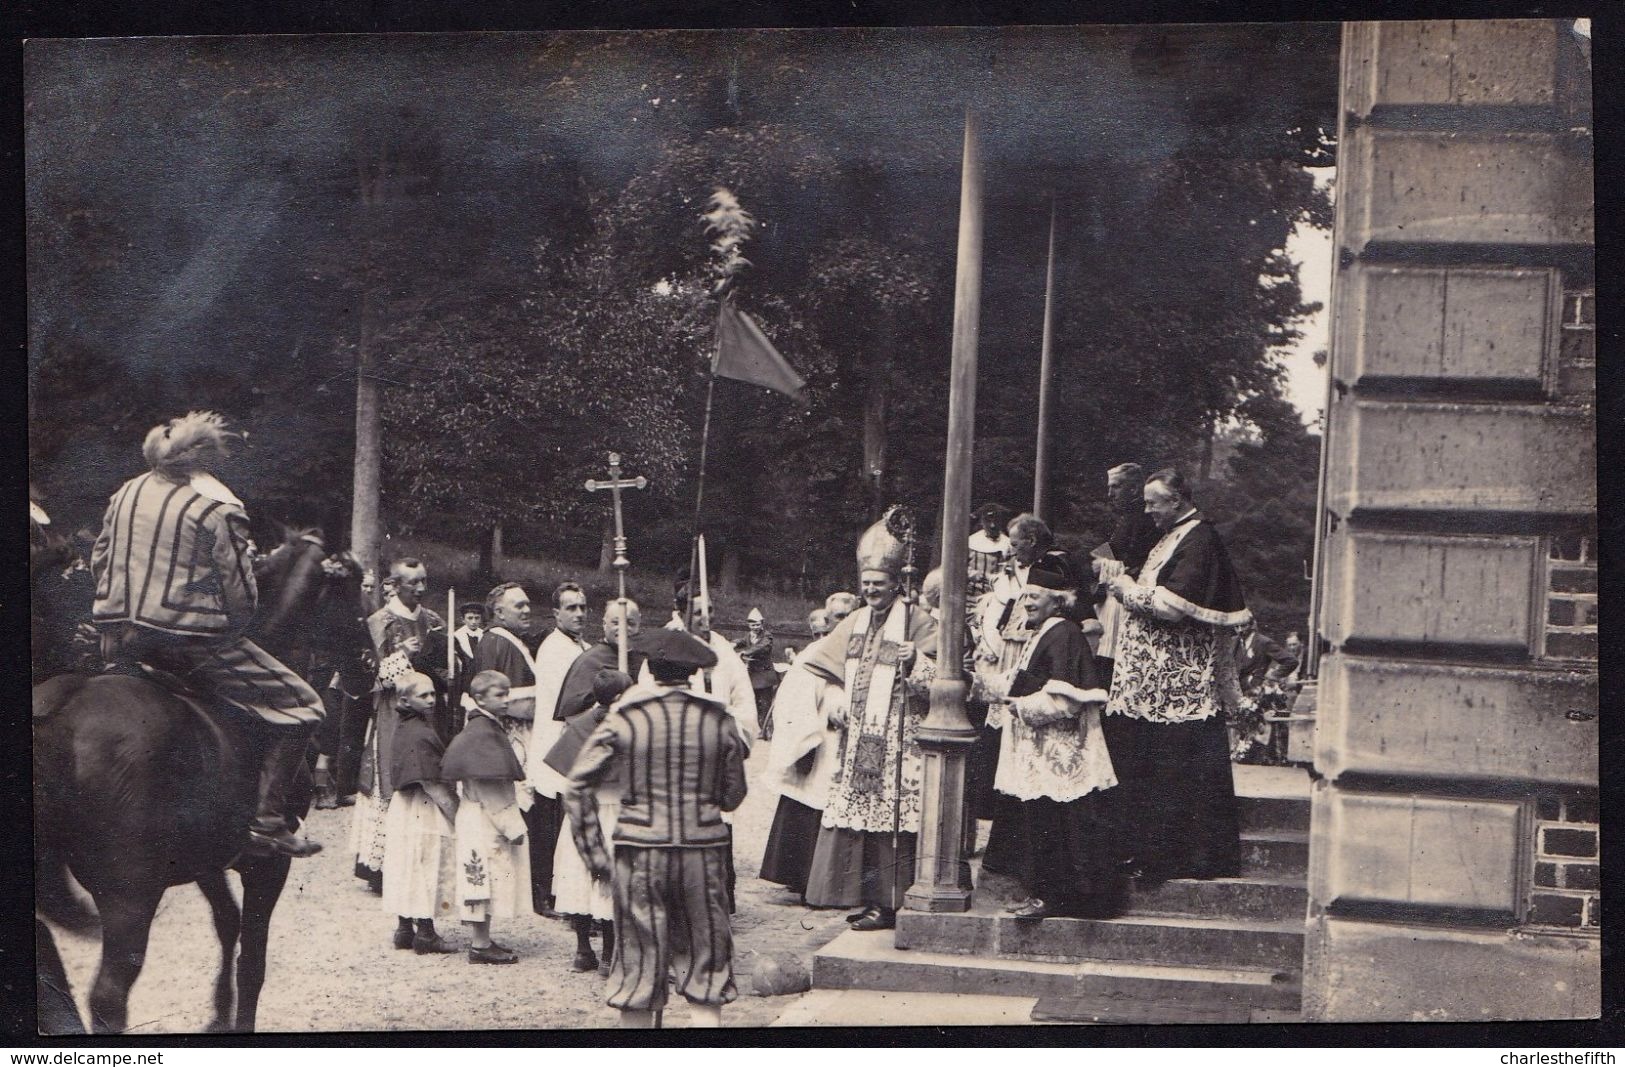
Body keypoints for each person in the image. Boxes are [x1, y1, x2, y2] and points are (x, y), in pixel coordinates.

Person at [88, 411, 324, 858]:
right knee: (305, 706)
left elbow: (101, 559)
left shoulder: (125, 493)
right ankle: (268, 824)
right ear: (202, 460)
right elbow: (240, 595)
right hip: (187, 644)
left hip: (115, 639)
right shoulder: (215, 509)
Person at [563, 629, 749, 1029]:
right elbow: (733, 796)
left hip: (640, 850)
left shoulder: (626, 719)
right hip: (703, 851)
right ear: (694, 674)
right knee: (707, 958)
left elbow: (576, 786)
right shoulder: (720, 721)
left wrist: (597, 858)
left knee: (638, 963)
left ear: (648, 668)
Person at [1103, 468, 1250, 885]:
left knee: (1170, 769)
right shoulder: (1174, 535)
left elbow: (1171, 606)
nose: (1146, 510)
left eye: (1153, 502)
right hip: (1154, 680)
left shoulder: (1199, 538)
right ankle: (1150, 853)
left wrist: (1124, 588)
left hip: (1174, 683)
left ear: (1177, 500)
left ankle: (1178, 857)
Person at [799, 517, 938, 930]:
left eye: (879, 583)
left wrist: (919, 662)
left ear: (897, 583)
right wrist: (836, 699)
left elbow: (945, 682)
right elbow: (824, 671)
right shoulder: (854, 621)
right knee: (863, 824)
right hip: (860, 737)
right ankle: (869, 896)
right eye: (867, 583)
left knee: (891, 823)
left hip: (901, 740)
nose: (871, 590)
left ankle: (891, 901)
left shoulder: (918, 621)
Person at [979, 569, 1124, 919]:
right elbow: (1024, 679)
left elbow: (1068, 701)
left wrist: (1022, 707)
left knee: (1062, 822)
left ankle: (1064, 899)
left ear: (1058, 600)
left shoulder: (1064, 633)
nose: (1026, 602)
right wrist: (983, 681)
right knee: (1044, 821)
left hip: (1061, 752)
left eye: (1035, 596)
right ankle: (1050, 895)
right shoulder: (1045, 631)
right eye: (1025, 596)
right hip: (1042, 751)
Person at [353, 558, 449, 890]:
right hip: (392, 713)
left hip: (428, 713)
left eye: (424, 582)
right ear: (395, 584)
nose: (421, 589)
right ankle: (381, 868)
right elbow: (369, 674)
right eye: (413, 584)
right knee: (393, 778)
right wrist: (402, 656)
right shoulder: (380, 621)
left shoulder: (432, 620)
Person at [465, 582, 556, 916]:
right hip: (511, 738)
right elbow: (500, 700)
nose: (527, 610)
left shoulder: (509, 640)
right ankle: (532, 891)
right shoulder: (496, 642)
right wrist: (543, 703)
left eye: (528, 605)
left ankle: (534, 887)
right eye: (519, 606)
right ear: (499, 612)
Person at [511, 582, 593, 921]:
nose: (578, 613)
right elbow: (570, 701)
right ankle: (542, 892)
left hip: (572, 739)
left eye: (582, 607)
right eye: (570, 608)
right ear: (556, 613)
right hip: (556, 740)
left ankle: (561, 892)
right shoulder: (555, 649)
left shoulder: (580, 646)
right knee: (549, 822)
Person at [544, 667, 634, 974]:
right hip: (611, 810)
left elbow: (566, 766)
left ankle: (583, 949)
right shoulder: (624, 729)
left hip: (581, 813)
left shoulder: (580, 724)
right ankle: (608, 952)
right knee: (607, 879)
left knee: (578, 878)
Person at [443, 669, 530, 965]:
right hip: (485, 815)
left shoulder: (487, 727)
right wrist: (512, 825)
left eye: (507, 694)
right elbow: (488, 785)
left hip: (481, 814)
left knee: (487, 877)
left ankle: (484, 939)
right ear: (479, 698)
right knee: (481, 877)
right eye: (499, 695)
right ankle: (479, 945)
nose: (506, 700)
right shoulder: (482, 733)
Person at [758, 605, 845, 899]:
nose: (843, 623)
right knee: (811, 797)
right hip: (823, 739)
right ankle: (801, 876)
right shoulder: (816, 652)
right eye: (838, 618)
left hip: (850, 741)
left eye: (849, 617)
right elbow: (797, 696)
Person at [381, 672, 459, 954]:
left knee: (407, 865)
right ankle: (425, 932)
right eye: (423, 695)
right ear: (404, 699)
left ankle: (404, 928)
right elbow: (431, 783)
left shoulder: (404, 726)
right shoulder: (421, 733)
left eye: (432, 694)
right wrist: (456, 815)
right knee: (425, 865)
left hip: (404, 806)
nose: (431, 700)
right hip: (422, 806)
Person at [1091, 462, 1164, 685]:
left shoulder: (1144, 518)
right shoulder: (1127, 517)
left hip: (1127, 604)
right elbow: (1113, 548)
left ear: (1133, 489)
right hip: (1114, 602)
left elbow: (1134, 561)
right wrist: (1096, 557)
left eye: (1116, 487)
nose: (1110, 494)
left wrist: (1101, 562)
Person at [735, 607, 778, 741]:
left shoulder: (767, 636)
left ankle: (768, 731)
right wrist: (731, 644)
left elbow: (761, 647)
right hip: (752, 676)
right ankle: (758, 729)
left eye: (758, 624)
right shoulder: (749, 636)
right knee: (753, 703)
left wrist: (745, 652)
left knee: (765, 704)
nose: (755, 627)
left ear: (762, 624)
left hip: (764, 676)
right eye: (752, 624)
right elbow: (740, 641)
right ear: (748, 625)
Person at [448, 602, 488, 718]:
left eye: (477, 618)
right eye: (470, 618)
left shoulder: (485, 635)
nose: (474, 622)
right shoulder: (456, 637)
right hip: (464, 681)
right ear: (463, 619)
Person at [967, 502, 1013, 593]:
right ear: (981, 521)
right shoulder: (970, 541)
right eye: (988, 521)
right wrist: (971, 573)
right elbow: (958, 567)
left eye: (996, 521)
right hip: (972, 593)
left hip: (998, 594)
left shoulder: (1009, 544)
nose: (992, 525)